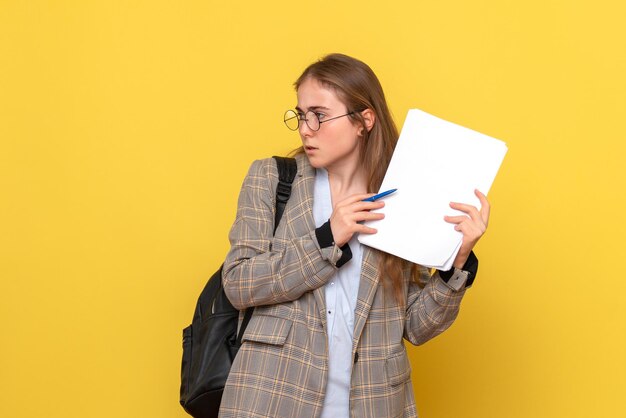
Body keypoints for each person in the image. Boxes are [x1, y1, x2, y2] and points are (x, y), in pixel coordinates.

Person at [219, 53, 490, 418]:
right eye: (301, 115)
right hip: (272, 398)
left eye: (319, 115)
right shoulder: (273, 179)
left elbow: (416, 326)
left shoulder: (402, 196)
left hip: (373, 403)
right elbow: (239, 283)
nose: (305, 129)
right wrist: (328, 236)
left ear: (364, 120)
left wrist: (456, 264)